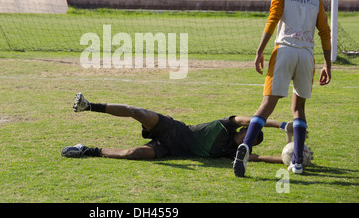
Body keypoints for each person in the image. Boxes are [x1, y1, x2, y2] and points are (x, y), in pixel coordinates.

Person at [233, 0, 331, 177]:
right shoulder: (316, 0)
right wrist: (327, 65)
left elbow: (273, 19)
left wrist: (260, 51)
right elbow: (325, 32)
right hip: (306, 56)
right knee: (298, 109)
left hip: (284, 51)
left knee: (267, 105)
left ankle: (246, 146)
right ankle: (297, 163)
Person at [62, 93, 291, 164]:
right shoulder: (227, 124)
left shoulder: (233, 153)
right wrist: (281, 125)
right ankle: (89, 106)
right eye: (247, 136)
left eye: (250, 141)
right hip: (173, 129)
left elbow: (261, 158)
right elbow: (248, 118)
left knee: (134, 154)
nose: (246, 140)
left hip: (168, 149)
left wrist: (288, 159)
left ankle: (88, 150)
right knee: (137, 111)